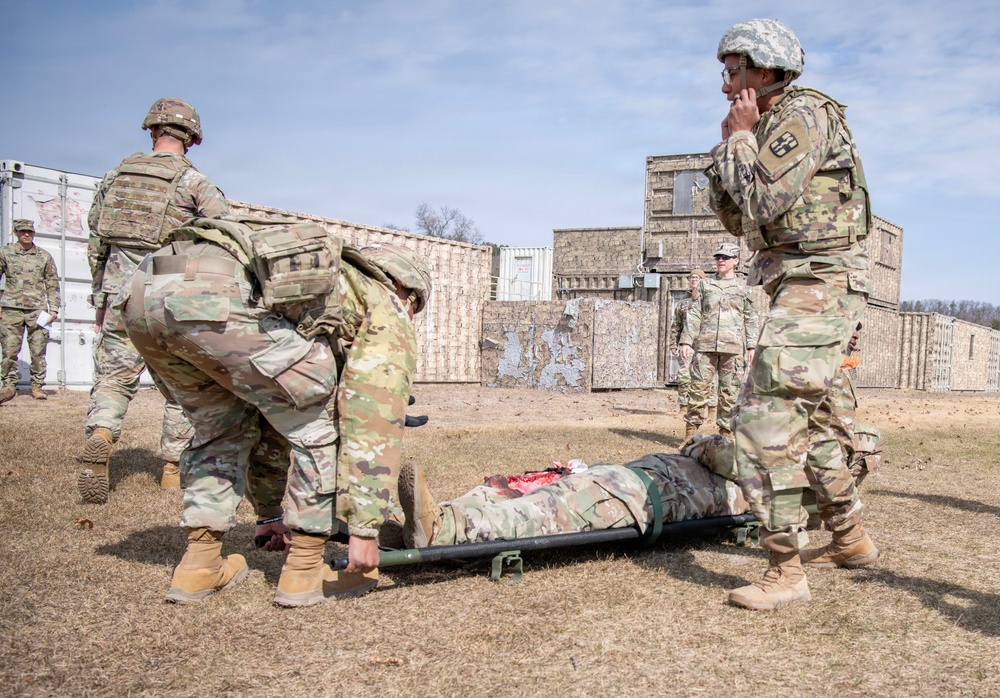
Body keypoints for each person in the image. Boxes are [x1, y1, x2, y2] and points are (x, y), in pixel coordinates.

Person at [121, 217, 431, 607]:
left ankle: (199, 567)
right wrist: (365, 530)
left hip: (142, 292)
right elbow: (373, 418)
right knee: (317, 417)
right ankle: (304, 574)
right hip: (216, 295)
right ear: (407, 290)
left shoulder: (327, 285)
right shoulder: (384, 300)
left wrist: (269, 513)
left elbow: (270, 417)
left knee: (220, 429)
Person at [704, 19, 875, 610]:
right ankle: (851, 540)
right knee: (820, 422)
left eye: (734, 72)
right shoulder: (768, 123)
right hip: (797, 283)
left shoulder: (801, 116)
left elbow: (760, 199)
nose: (727, 86)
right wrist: (734, 144)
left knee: (762, 421)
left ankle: (785, 571)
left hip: (817, 284)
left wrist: (739, 140)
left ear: (767, 69)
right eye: (726, 74)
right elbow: (739, 219)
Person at [81, 97, 229, 501]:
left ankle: (102, 433)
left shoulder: (115, 177)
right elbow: (225, 241)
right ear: (193, 140)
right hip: (168, 295)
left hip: (117, 292)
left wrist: (100, 298)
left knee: (113, 376)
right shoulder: (196, 184)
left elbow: (97, 242)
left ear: (151, 132)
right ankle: (170, 467)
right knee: (182, 381)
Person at [397, 428, 882, 550]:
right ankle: (430, 517)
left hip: (644, 495)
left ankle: (443, 529)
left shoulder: (779, 478)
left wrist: (712, 441)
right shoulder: (801, 490)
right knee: (532, 493)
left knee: (544, 512)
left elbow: (708, 449)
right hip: (635, 480)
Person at [679, 243, 758, 440]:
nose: (720, 260)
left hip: (733, 348)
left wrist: (751, 346)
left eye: (725, 257)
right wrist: (686, 340)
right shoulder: (705, 284)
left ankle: (726, 435)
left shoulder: (743, 287)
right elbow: (695, 313)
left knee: (730, 393)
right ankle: (690, 435)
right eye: (718, 257)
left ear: (735, 261)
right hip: (705, 346)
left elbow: (750, 317)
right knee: (698, 389)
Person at [0, 219, 62, 403]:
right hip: (12, 309)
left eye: (30, 231)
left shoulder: (44, 256)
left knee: (38, 350)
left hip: (38, 311)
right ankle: (9, 386)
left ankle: (37, 386)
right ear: (16, 232)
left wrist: (54, 310)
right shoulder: (5, 253)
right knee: (9, 350)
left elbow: (52, 284)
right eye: (23, 231)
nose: (27, 234)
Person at [670, 268, 707, 410]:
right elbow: (676, 324)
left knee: (705, 376)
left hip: (704, 343)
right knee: (684, 375)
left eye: (697, 278)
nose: (693, 280)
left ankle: (709, 408)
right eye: (691, 277)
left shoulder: (707, 298)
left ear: (702, 280)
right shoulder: (684, 301)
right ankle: (683, 406)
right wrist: (673, 344)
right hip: (687, 344)